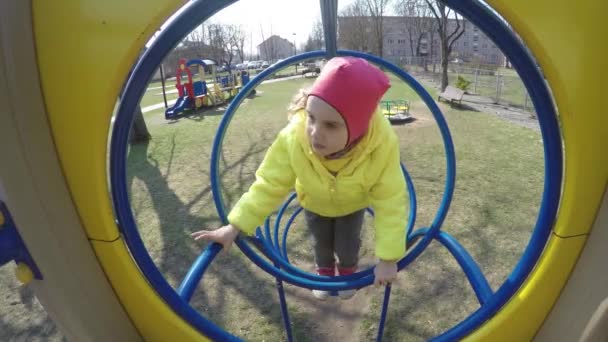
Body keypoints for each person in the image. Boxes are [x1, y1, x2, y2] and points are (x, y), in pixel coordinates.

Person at [192, 57, 407, 300]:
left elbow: (390, 200)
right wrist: (235, 225)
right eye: (312, 117)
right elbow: (269, 183)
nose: (315, 132)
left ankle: (348, 271)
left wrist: (388, 259)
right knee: (321, 243)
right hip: (313, 201)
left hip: (353, 204)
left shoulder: (380, 146)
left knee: (348, 243)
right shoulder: (294, 137)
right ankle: (324, 274)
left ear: (358, 128)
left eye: (331, 125)